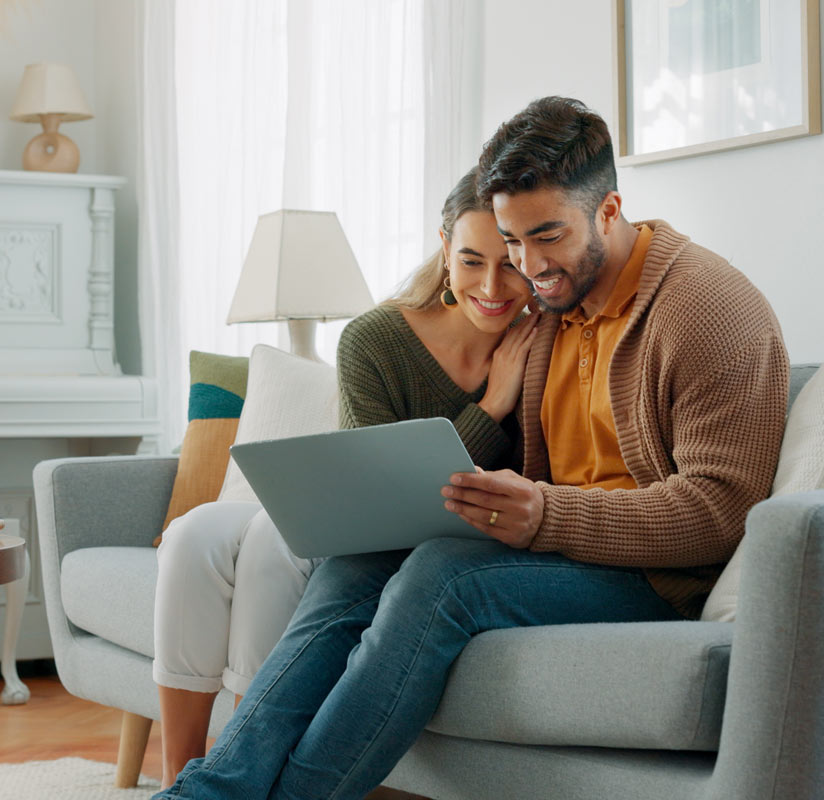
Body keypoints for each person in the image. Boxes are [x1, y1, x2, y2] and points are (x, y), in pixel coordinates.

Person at [152, 96, 788, 800]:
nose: (528, 266)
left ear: (609, 209)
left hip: (658, 576)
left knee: (443, 576)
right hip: (557, 551)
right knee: (356, 564)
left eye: (547, 235)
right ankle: (208, 791)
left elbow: (723, 512)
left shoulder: (706, 308)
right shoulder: (551, 307)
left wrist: (547, 516)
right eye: (515, 240)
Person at [152, 166, 537, 788]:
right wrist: (491, 409)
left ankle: (218, 787)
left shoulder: (541, 344)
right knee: (199, 538)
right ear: (444, 251)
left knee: (272, 555)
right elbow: (378, 503)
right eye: (471, 261)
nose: (493, 286)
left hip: (457, 545)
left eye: (510, 263)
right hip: (369, 533)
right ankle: (189, 776)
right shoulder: (376, 339)